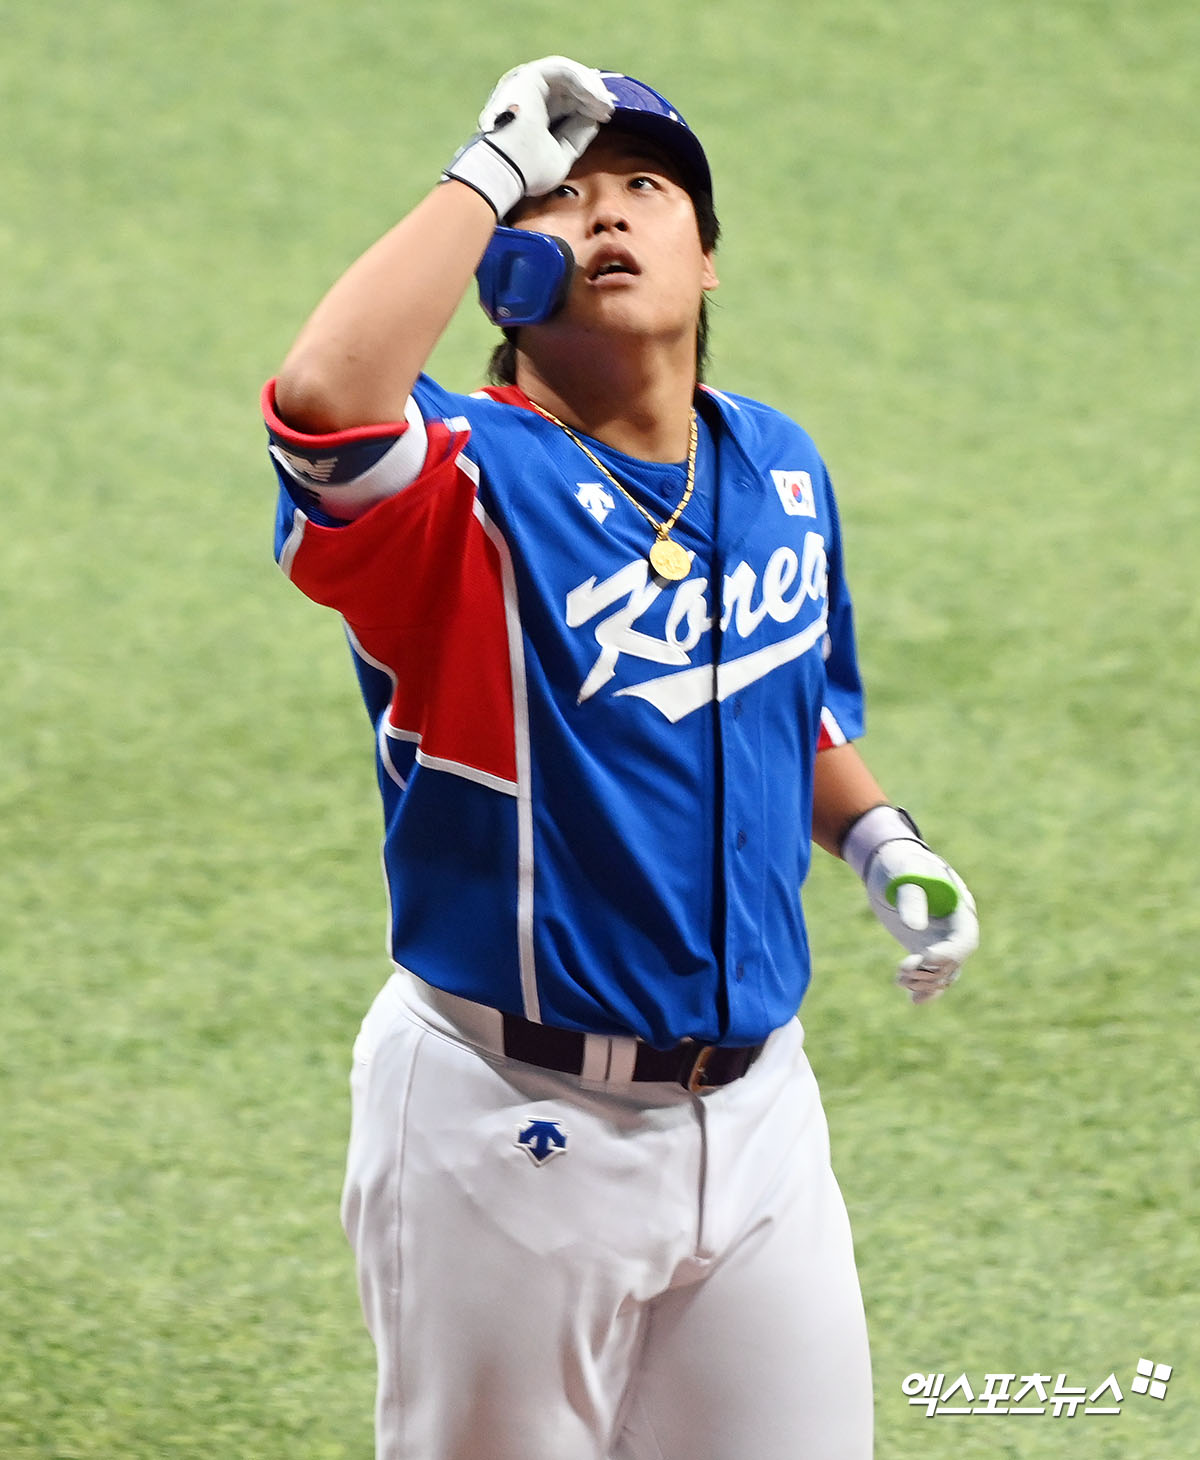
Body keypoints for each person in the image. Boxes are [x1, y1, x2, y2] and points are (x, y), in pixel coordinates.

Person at [262, 55, 978, 1460]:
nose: (604, 211)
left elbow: (789, 703)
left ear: (706, 258)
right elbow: (328, 403)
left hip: (761, 1115)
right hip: (508, 1125)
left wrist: (885, 843)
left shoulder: (776, 464)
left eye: (646, 186)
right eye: (559, 195)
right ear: (501, 275)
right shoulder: (460, 480)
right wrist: (486, 173)